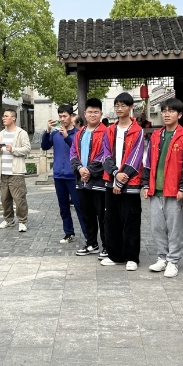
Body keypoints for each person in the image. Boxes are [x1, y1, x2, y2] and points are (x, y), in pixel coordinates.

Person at [142, 98, 183, 278]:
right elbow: (148, 162)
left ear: (179, 114)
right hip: (156, 189)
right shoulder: (156, 135)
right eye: (164, 111)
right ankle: (162, 257)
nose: (166, 114)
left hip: (174, 190)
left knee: (175, 227)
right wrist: (146, 184)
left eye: (171, 111)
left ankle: (173, 260)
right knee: (157, 226)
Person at [100, 92, 144, 270]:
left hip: (130, 182)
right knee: (111, 219)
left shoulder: (137, 130)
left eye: (123, 105)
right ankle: (115, 255)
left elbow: (136, 157)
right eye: (117, 105)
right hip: (111, 180)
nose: (119, 108)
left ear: (131, 107)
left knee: (130, 220)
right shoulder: (109, 130)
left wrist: (120, 181)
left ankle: (131, 257)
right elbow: (105, 155)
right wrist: (115, 174)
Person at [42, 104, 87, 244]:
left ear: (71, 116)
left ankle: (88, 236)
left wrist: (67, 136)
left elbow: (78, 149)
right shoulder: (55, 133)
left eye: (65, 116)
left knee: (80, 207)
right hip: (58, 175)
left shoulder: (78, 133)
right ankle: (69, 233)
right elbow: (44, 146)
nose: (62, 119)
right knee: (63, 207)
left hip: (73, 176)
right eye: (60, 116)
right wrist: (47, 131)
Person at [70, 98, 108, 256]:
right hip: (82, 181)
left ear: (101, 114)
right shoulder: (80, 133)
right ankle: (92, 244)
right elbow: (73, 153)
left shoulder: (106, 132)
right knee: (87, 214)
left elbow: (105, 155)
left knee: (103, 215)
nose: (93, 115)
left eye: (96, 112)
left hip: (99, 181)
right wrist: (80, 169)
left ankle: (107, 246)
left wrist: (90, 171)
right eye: (90, 112)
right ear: (84, 114)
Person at [0, 109, 31, 232]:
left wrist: (13, 149)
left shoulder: (21, 133)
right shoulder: (1, 134)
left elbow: (27, 149)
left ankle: (22, 221)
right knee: (5, 199)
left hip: (16, 172)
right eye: (3, 116)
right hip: (4, 172)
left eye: (6, 116)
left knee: (19, 199)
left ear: (14, 118)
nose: (4, 118)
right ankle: (8, 220)